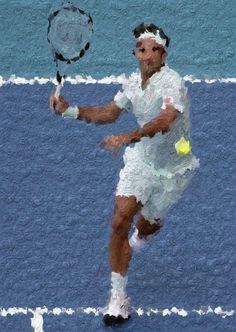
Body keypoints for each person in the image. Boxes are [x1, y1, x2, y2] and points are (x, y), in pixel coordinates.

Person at [50, 22, 199, 326]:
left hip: (173, 169)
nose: (147, 55)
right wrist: (69, 110)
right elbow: (108, 113)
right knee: (120, 218)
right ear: (135, 53)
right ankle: (118, 297)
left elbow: (165, 121)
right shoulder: (132, 85)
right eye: (142, 50)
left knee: (148, 225)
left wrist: (127, 136)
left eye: (154, 50)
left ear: (164, 55)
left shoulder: (172, 84)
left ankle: (143, 233)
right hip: (141, 162)